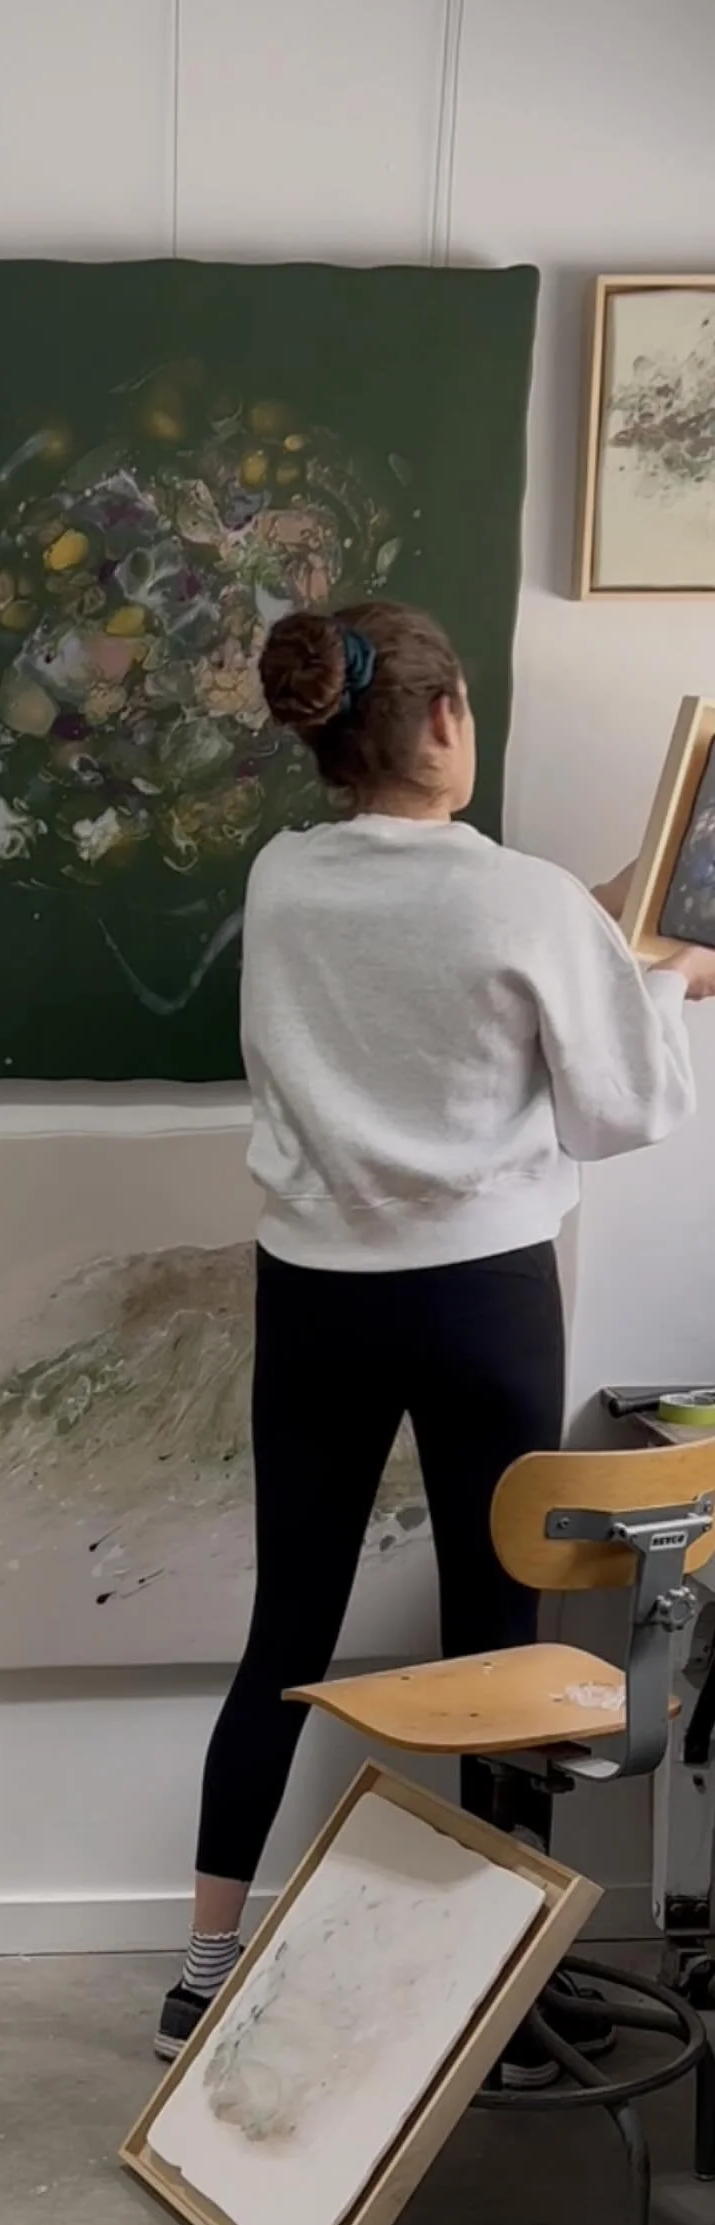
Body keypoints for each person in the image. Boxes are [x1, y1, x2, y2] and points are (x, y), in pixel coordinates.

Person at [157, 599, 715, 2084]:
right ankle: (500, 2002)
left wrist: (612, 919)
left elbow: (482, 923)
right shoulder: (521, 903)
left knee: (287, 1630)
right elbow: (621, 1107)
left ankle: (200, 1975)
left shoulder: (285, 878)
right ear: (449, 718)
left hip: (316, 1293)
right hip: (482, 1298)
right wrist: (671, 980)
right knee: (497, 1637)